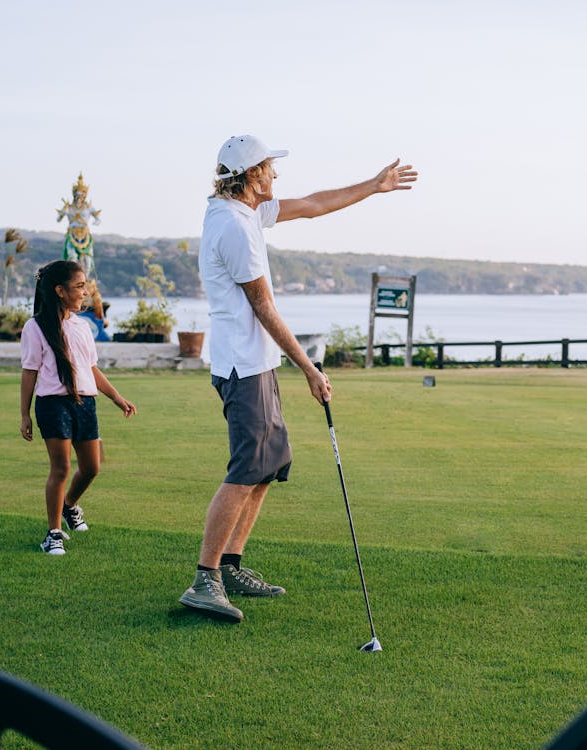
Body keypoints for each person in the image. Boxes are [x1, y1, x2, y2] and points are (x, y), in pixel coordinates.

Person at [179, 134, 417, 622]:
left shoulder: (242, 211)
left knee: (268, 465)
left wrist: (373, 186)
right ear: (248, 177)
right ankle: (205, 579)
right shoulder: (235, 228)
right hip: (243, 366)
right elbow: (263, 306)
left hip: (254, 363)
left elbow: (311, 205)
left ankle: (231, 564)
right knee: (247, 468)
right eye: (268, 169)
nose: (275, 176)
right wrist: (309, 368)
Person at [20, 260, 137, 555]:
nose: (86, 292)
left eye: (85, 285)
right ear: (60, 291)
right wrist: (24, 414)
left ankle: (69, 506)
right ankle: (53, 533)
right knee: (61, 468)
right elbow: (29, 371)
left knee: (92, 467)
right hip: (52, 404)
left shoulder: (83, 327)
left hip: (86, 403)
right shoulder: (35, 327)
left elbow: (92, 368)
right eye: (80, 286)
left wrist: (116, 397)